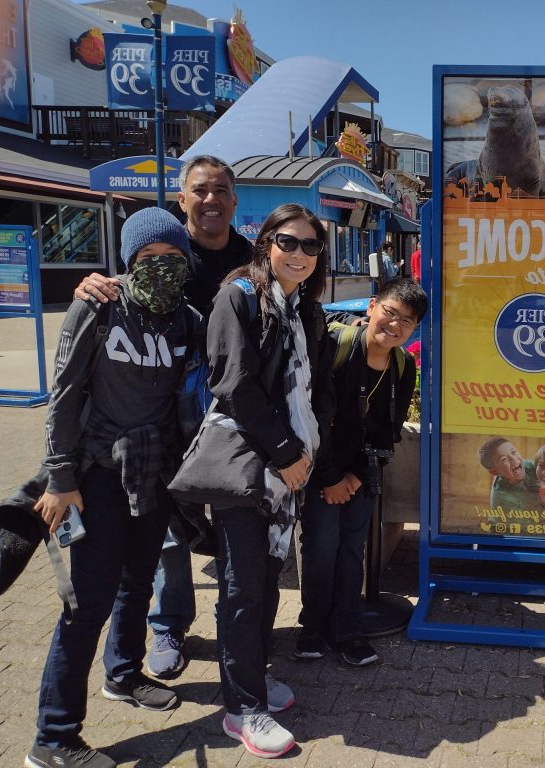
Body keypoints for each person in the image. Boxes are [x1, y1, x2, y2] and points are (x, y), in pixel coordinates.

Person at [26, 208, 200, 768]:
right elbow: (63, 394)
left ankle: (122, 674)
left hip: (153, 472)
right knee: (87, 603)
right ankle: (53, 738)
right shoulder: (98, 306)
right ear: (128, 261)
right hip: (96, 476)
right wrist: (60, 477)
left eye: (172, 257)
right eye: (148, 257)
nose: (161, 266)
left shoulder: (187, 319)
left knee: (137, 583)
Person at [75, 155, 252, 680]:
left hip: (234, 414)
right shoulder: (164, 251)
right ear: (182, 199)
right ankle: (169, 624)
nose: (210, 199)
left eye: (220, 190)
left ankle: (238, 629)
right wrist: (92, 285)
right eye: (200, 190)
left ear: (234, 200)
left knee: (235, 524)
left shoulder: (252, 258)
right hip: (165, 420)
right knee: (169, 534)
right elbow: (123, 289)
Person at [205, 204, 335, 758]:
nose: (299, 254)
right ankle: (241, 708)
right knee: (241, 584)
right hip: (245, 461)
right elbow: (234, 384)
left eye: (311, 246)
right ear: (265, 244)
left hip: (287, 467)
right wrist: (285, 453)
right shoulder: (238, 297)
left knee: (264, 576)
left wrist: (304, 453)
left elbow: (314, 387)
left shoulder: (305, 308)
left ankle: (253, 675)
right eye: (288, 242)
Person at [295, 277, 423, 666]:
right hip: (321, 471)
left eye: (407, 321)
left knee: (352, 551)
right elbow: (313, 419)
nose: (395, 325)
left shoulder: (403, 365)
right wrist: (332, 478)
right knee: (320, 548)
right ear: (371, 307)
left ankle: (346, 631)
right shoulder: (335, 347)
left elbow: (390, 430)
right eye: (390, 313)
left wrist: (358, 476)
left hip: (362, 474)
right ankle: (312, 628)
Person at [478, 437, 540, 513]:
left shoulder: (528, 465)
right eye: (504, 459)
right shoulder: (503, 500)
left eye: (513, 452)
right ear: (494, 472)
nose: (514, 459)